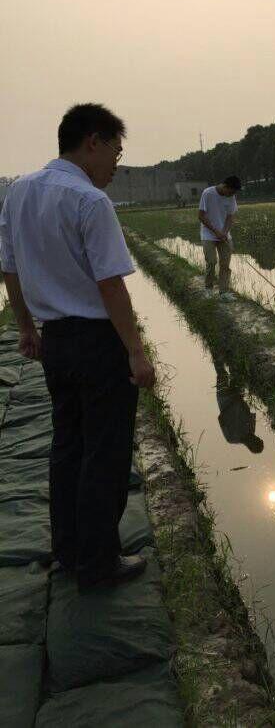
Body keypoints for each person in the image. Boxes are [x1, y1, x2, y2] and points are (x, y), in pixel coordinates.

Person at [0, 103, 156, 591]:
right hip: (97, 343)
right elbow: (111, 284)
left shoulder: (18, 192)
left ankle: (68, 551)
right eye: (116, 152)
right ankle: (99, 561)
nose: (116, 164)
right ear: (94, 142)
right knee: (104, 452)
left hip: (56, 343)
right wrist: (135, 351)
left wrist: (26, 328)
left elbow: (9, 267)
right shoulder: (90, 201)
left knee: (68, 445)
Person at [198, 176, 241, 300]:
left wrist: (224, 232)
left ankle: (224, 292)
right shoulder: (208, 193)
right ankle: (208, 288)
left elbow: (230, 217)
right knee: (211, 262)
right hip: (208, 235)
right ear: (225, 186)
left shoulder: (231, 197)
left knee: (225, 264)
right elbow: (201, 216)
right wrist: (216, 231)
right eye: (231, 192)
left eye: (234, 193)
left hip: (224, 235)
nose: (232, 195)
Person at [214, 357, 264, 454]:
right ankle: (228, 352)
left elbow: (221, 419)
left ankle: (216, 351)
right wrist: (239, 400)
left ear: (250, 446)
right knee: (237, 372)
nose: (256, 437)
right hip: (237, 395)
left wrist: (233, 403)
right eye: (258, 439)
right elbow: (248, 411)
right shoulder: (251, 430)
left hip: (224, 397)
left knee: (221, 373)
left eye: (256, 440)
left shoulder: (231, 438)